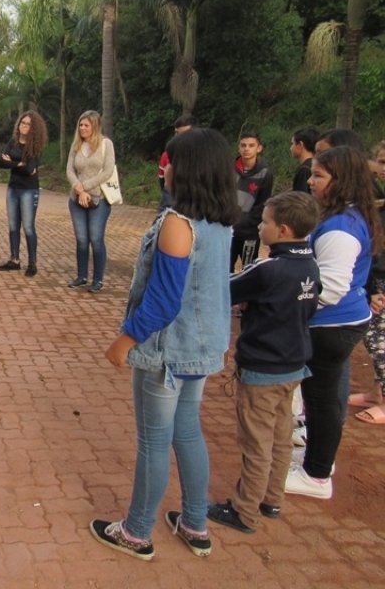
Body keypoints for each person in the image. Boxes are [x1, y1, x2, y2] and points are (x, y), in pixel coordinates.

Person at [90, 128, 240, 562]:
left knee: (154, 442)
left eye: (170, 162)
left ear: (187, 170)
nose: (164, 169)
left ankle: (136, 532)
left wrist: (125, 340)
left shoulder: (179, 225)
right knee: (187, 431)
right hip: (200, 348)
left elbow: (162, 301)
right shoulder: (220, 223)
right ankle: (195, 523)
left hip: (167, 353)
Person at [207, 192, 321, 534]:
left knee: (256, 442)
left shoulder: (268, 268)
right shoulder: (310, 265)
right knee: (281, 436)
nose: (260, 226)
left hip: (263, 368)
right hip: (293, 365)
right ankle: (272, 499)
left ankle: (244, 511)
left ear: (283, 230)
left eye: (265, 222)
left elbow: (224, 289)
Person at [286, 147, 380, 499]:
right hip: (334, 323)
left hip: (331, 325)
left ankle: (316, 475)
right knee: (318, 398)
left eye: (319, 176)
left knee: (322, 400)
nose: (310, 181)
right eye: (312, 174)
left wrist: (287, 301)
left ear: (341, 182)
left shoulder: (341, 227)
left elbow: (332, 286)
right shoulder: (343, 217)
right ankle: (317, 460)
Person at [350, 140, 385, 424]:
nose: (380, 169)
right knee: (373, 340)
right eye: (381, 162)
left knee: (379, 341)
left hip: (382, 281)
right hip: (376, 277)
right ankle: (376, 394)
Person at [66, 110, 117, 292]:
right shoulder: (76, 146)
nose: (82, 128)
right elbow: (70, 171)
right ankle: (81, 276)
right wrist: (79, 190)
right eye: (80, 125)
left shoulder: (105, 144)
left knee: (96, 238)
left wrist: (85, 187)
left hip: (99, 199)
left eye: (86, 125)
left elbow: (107, 171)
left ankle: (98, 279)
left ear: (94, 126)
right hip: (76, 198)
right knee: (81, 239)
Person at [0, 110, 48, 277]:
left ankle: (32, 263)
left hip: (29, 190)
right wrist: (19, 163)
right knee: (13, 226)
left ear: (34, 128)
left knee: (28, 227)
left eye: (28, 124)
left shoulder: (35, 146)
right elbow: (1, 163)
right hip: (13, 189)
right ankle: (14, 260)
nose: (24, 126)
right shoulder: (13, 142)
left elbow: (29, 169)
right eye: (22, 123)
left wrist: (12, 162)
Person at [231, 131, 274, 271]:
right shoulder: (228, 168)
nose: (246, 149)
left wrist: (248, 223)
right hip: (227, 229)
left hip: (249, 232)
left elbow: (263, 202)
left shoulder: (265, 173)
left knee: (248, 270)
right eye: (243, 145)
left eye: (251, 145)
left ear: (259, 148)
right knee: (223, 269)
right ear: (238, 147)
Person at [158, 114, 195, 210]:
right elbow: (162, 181)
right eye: (177, 133)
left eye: (185, 134)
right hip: (172, 204)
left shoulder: (206, 156)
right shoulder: (166, 155)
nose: (179, 137)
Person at [290, 128, 318, 193]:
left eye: (292, 143)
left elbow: (301, 198)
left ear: (300, 144)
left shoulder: (304, 169)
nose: (291, 148)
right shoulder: (317, 165)